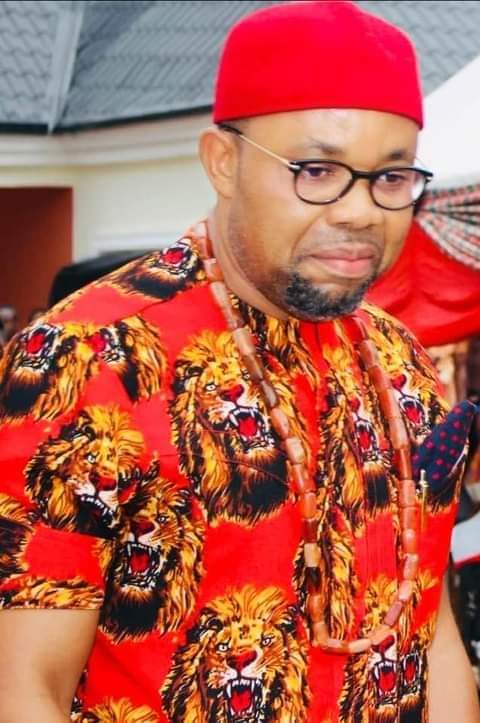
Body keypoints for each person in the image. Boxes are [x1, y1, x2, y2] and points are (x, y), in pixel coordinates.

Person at [0, 2, 478, 721]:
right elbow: (22, 686)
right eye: (316, 169)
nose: (360, 211)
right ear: (224, 163)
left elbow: (427, 626)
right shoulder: (87, 358)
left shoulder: (399, 360)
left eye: (390, 177)